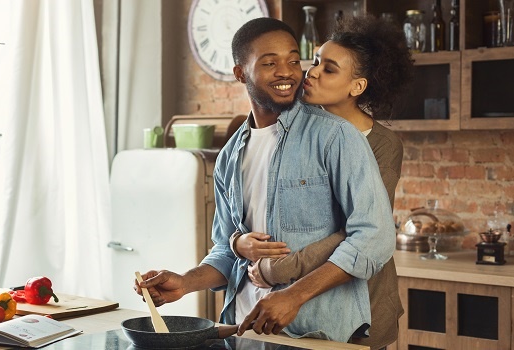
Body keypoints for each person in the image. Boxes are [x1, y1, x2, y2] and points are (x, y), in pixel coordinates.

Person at [134, 17, 395, 343]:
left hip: (316, 335)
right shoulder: (229, 156)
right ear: (241, 73)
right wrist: (186, 282)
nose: (287, 71)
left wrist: (294, 295)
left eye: (292, 60)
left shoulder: (335, 136)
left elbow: (375, 236)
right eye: (270, 63)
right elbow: (228, 249)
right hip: (242, 333)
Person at [232, 15, 414, 350]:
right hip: (302, 317)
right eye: (314, 61)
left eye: (328, 69)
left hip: (364, 307)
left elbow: (360, 232)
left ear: (356, 86)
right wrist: (237, 242)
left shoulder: (382, 145)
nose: (310, 72)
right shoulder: (291, 128)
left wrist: (279, 270)